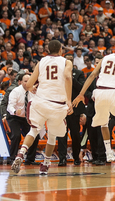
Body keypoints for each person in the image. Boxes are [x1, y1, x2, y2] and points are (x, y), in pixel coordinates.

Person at [72, 38, 115, 171]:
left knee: (103, 122)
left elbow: (92, 75)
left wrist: (81, 94)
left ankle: (109, 152)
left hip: (100, 92)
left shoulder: (105, 58)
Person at [11, 40, 73, 175]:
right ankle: (45, 164)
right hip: (57, 105)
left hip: (40, 103)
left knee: (33, 130)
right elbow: (68, 77)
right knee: (52, 135)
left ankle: (20, 155)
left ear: (48, 50)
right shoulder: (66, 62)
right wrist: (69, 100)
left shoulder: (41, 61)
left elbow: (28, 85)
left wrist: (32, 88)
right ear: (61, 50)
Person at [57, 54, 85, 166]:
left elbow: (81, 89)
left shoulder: (79, 74)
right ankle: (62, 159)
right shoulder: (59, 74)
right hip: (62, 108)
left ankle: (76, 157)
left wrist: (71, 78)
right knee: (61, 134)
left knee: (75, 135)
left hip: (75, 109)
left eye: (70, 60)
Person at [6, 74, 40, 165]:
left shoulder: (34, 91)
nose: (27, 83)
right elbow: (10, 106)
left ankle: (30, 159)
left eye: (29, 81)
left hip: (26, 117)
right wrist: (15, 111)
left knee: (35, 136)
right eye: (25, 81)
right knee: (16, 135)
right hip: (14, 117)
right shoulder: (15, 91)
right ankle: (12, 158)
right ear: (20, 82)